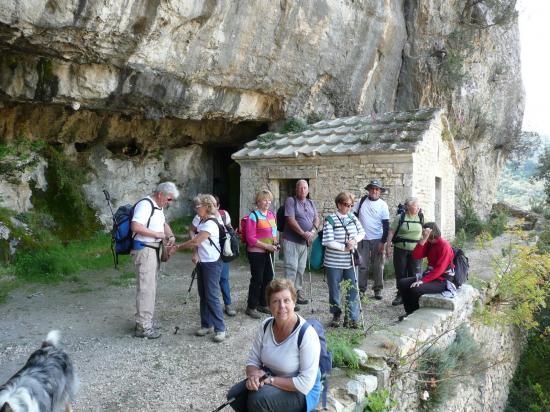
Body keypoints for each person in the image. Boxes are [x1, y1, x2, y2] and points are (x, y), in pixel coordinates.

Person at [227, 278, 321, 412]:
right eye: (276, 301)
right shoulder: (266, 326)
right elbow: (253, 361)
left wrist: (269, 380)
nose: (281, 306)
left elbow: (305, 384)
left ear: (294, 302)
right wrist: (253, 377)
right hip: (272, 376)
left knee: (258, 400)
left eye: (286, 300)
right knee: (235, 395)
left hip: (302, 391)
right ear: (269, 306)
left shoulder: (307, 334)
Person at [131, 181, 178, 339]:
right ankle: (143, 326)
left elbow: (163, 223)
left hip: (153, 250)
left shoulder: (158, 207)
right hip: (145, 250)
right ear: (160, 194)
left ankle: (145, 321)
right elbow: (136, 226)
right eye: (169, 199)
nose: (169, 202)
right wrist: (157, 235)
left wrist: (170, 235)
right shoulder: (145, 205)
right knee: (146, 287)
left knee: (150, 286)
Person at [177, 194, 226, 342]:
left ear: (206, 206)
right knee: (203, 294)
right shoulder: (202, 221)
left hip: (212, 262)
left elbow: (196, 241)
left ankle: (220, 328)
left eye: (198, 206)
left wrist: (178, 247)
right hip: (203, 262)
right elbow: (198, 242)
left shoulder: (211, 223)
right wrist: (196, 253)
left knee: (211, 295)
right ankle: (206, 324)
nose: (196, 208)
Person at [322, 192, 365, 328]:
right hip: (333, 261)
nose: (349, 208)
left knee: (353, 288)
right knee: (334, 289)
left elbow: (362, 232)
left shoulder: (352, 217)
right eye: (347, 205)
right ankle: (336, 314)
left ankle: (352, 317)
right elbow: (327, 241)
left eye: (351, 205)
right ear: (339, 204)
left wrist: (354, 240)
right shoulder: (330, 219)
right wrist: (343, 247)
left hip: (350, 260)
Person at [189, 195, 236, 317]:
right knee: (208, 289)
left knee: (224, 279)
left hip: (222, 252)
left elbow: (229, 229)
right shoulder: (199, 217)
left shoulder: (223, 214)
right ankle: (209, 320)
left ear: (218, 206)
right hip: (207, 255)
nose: (214, 207)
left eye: (216, 205)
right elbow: (192, 231)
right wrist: (195, 250)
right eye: (212, 205)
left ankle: (227, 304)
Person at [397, 222, 454, 318]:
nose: (423, 234)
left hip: (443, 280)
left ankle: (414, 316)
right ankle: (410, 313)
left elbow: (440, 269)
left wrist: (422, 281)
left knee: (416, 288)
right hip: (431, 276)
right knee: (403, 283)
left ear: (432, 232)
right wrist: (423, 240)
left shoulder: (444, 246)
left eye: (425, 232)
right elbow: (416, 255)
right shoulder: (429, 243)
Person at [282, 180, 320, 307]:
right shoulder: (291, 201)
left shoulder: (311, 202)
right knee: (291, 268)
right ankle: (289, 298)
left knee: (300, 269)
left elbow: (317, 218)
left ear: (308, 190)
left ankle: (297, 293)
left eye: (305, 188)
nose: (303, 190)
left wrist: (313, 231)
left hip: (304, 242)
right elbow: (290, 220)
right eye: (300, 188)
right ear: (296, 189)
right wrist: (304, 233)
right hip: (291, 241)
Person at [244, 189, 278, 319]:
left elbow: (273, 233)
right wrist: (266, 246)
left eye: (269, 200)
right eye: (265, 200)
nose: (268, 202)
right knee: (257, 279)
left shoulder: (271, 215)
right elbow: (250, 238)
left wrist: (275, 244)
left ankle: (263, 304)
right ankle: (251, 306)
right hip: (257, 252)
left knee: (268, 278)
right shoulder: (253, 216)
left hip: (269, 251)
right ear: (258, 201)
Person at [353, 179, 389, 300]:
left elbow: (386, 225)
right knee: (362, 265)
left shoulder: (383, 205)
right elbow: (353, 217)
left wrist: (383, 242)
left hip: (377, 239)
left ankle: (377, 289)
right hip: (362, 238)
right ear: (369, 190)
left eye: (377, 189)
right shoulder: (361, 201)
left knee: (378, 265)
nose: (374, 191)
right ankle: (361, 290)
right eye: (372, 188)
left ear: (380, 191)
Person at [386, 197, 424, 306]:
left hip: (416, 251)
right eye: (416, 206)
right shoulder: (400, 217)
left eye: (418, 206)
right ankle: (400, 295)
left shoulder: (421, 217)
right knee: (401, 273)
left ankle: (413, 294)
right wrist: (388, 246)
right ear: (408, 207)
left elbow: (427, 231)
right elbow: (391, 232)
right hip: (400, 250)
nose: (418, 208)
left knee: (415, 273)